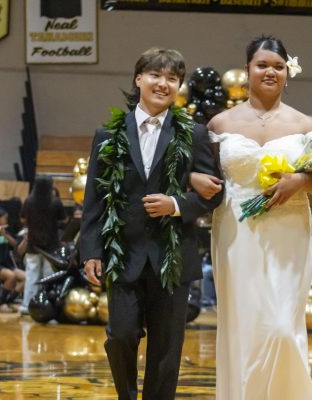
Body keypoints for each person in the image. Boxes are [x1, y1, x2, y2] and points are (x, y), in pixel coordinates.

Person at [190, 36, 312, 399]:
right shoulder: (221, 123)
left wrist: (301, 180)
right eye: (262, 65)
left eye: (278, 66)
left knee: (281, 327)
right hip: (235, 231)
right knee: (242, 326)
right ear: (247, 71)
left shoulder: (306, 124)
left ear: (289, 72)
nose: (270, 71)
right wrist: (193, 178)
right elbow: (198, 171)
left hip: (288, 231)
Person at [81, 47, 223, 400]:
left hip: (172, 257)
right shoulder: (107, 134)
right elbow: (93, 201)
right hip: (123, 254)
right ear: (139, 78)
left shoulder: (195, 134)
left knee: (167, 347)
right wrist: (90, 251)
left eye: (172, 78)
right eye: (156, 75)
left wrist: (175, 204)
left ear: (179, 86)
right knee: (121, 334)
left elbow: (214, 194)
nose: (163, 84)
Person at [19, 176, 67, 315]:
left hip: (33, 244)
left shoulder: (29, 201)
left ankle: (27, 305)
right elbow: (64, 219)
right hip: (51, 245)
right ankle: (47, 306)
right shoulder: (55, 202)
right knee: (49, 276)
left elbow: (22, 218)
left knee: (31, 276)